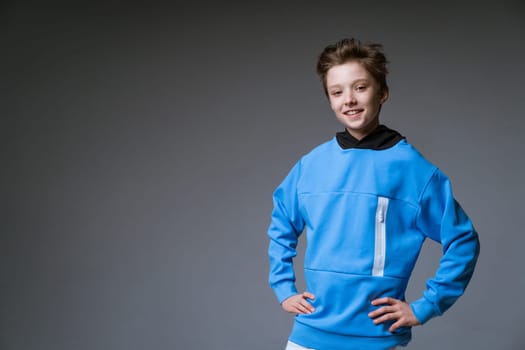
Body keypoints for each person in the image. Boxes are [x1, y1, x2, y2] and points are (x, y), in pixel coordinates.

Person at [267, 38, 480, 350]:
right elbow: (281, 223)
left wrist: (426, 306)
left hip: (376, 339)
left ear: (383, 92)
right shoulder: (311, 166)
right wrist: (283, 287)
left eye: (360, 87)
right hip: (309, 336)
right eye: (337, 92)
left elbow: (462, 241)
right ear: (329, 100)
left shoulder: (412, 170)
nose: (349, 99)